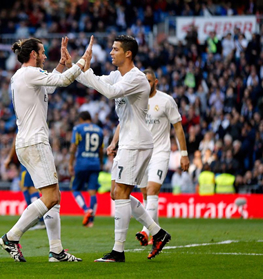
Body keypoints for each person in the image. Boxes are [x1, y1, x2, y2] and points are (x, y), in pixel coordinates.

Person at [76, 35, 171, 262]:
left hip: (137, 143)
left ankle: (118, 251)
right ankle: (158, 232)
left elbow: (110, 92)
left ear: (128, 53)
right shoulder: (118, 75)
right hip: (128, 142)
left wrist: (85, 71)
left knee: (121, 193)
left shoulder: (137, 78)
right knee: (116, 193)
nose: (111, 52)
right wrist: (76, 66)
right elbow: (95, 81)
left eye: (115, 49)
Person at [0, 36, 92, 263]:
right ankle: (12, 236)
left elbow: (50, 84)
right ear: (33, 55)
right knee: (50, 197)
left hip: (27, 141)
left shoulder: (22, 76)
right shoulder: (29, 73)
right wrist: (80, 62)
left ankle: (56, 251)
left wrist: (60, 63)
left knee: (54, 196)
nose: (45, 56)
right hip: (35, 141)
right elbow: (62, 81)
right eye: (43, 53)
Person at [129, 69, 190, 246]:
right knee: (146, 195)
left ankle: (145, 231)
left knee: (153, 189)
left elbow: (178, 127)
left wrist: (184, 154)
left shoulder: (166, 101)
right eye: (143, 81)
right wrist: (115, 142)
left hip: (160, 152)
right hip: (141, 153)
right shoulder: (135, 100)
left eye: (148, 81)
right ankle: (157, 233)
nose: (145, 84)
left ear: (155, 82)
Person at [68, 110, 104, 227]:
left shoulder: (78, 129)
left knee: (75, 189)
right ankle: (91, 221)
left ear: (81, 119)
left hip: (81, 163)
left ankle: (86, 209)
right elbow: (101, 150)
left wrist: (70, 163)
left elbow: (73, 147)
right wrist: (100, 162)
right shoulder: (99, 130)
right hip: (95, 163)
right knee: (92, 192)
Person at [4, 136, 45, 230]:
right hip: (28, 162)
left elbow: (15, 141)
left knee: (31, 189)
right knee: (24, 187)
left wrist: (9, 158)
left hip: (29, 162)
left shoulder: (24, 126)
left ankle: (41, 220)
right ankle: (34, 219)